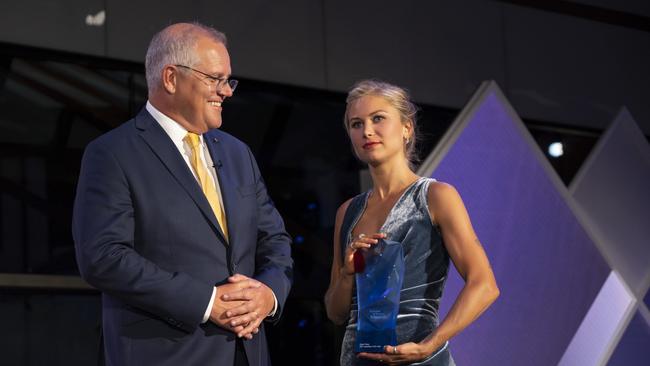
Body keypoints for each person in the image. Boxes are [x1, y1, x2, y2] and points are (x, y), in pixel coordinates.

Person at [73, 22, 293, 366]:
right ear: (171, 78)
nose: (227, 92)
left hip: (247, 353)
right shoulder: (113, 153)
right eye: (215, 79)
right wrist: (206, 302)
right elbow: (103, 257)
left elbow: (275, 241)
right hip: (166, 354)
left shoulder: (239, 154)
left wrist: (269, 295)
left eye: (228, 80)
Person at [324, 80, 499, 365]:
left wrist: (429, 346)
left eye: (378, 118)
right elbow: (335, 312)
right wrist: (346, 274)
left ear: (407, 128)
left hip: (421, 359)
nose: (367, 131)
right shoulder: (347, 212)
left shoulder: (436, 196)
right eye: (356, 124)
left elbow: (484, 284)